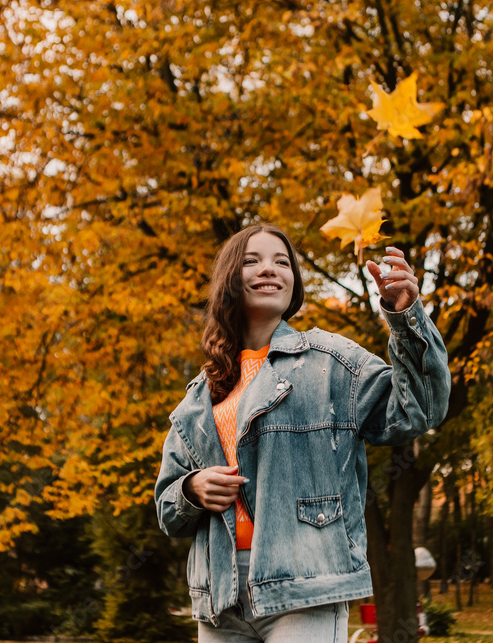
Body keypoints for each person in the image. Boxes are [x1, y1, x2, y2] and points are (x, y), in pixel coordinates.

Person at [155, 223, 450, 642]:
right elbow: (167, 508)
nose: (269, 269)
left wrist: (406, 316)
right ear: (229, 280)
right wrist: (192, 488)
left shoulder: (331, 362)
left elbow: (419, 407)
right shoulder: (200, 395)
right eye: (252, 260)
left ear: (293, 283)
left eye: (281, 262)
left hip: (306, 585)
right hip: (219, 596)